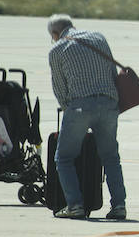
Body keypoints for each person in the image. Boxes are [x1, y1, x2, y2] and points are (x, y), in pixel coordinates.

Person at [46, 14, 128, 220]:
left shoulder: (57, 49)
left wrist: (68, 110)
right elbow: (112, 72)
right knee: (110, 158)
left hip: (80, 106)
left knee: (63, 158)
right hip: (109, 103)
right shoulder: (98, 38)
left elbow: (59, 87)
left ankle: (75, 205)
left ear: (55, 33)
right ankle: (119, 206)